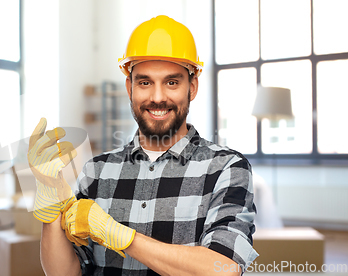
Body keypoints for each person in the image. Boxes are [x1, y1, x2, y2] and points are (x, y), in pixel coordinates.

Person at [29, 15, 258, 276]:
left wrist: (122, 237)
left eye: (171, 82)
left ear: (191, 87)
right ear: (130, 88)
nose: (157, 97)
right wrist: (50, 212)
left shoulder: (226, 168)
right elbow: (64, 273)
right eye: (145, 82)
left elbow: (224, 269)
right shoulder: (97, 171)